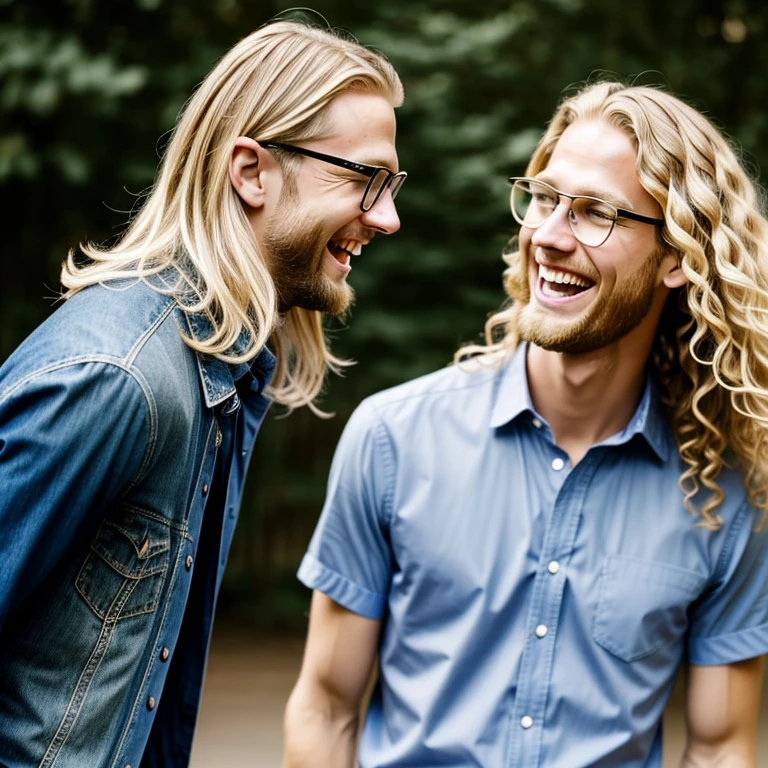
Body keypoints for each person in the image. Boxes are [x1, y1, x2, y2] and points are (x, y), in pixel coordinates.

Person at [283, 81, 768, 767]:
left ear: (679, 258)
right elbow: (325, 707)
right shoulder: (392, 438)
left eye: (595, 212)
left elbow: (720, 749)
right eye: (544, 198)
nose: (548, 235)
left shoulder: (728, 495)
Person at [0, 13, 405, 768]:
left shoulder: (223, 375)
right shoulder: (119, 382)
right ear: (250, 171)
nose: (387, 216)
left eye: (392, 183)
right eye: (363, 178)